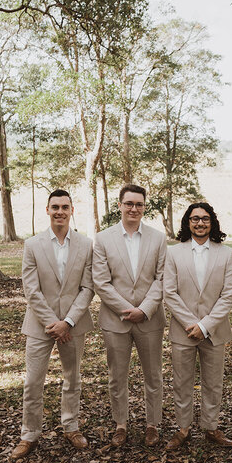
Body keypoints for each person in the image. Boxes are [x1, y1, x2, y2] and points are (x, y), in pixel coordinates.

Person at [11, 189, 94, 459]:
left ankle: (71, 426)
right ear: (47, 210)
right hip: (39, 325)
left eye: (65, 207)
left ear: (72, 211)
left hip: (74, 324)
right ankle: (29, 434)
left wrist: (68, 322)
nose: (60, 211)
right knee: (33, 381)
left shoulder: (85, 244)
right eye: (55, 207)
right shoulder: (32, 245)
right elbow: (31, 290)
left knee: (72, 378)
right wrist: (53, 323)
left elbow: (88, 287)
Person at [92, 184, 167, 447]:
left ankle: (152, 424)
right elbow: (101, 282)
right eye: (129, 203)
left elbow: (161, 279)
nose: (134, 208)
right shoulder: (103, 239)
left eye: (139, 204)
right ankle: (120, 424)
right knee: (117, 376)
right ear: (120, 205)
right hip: (116, 320)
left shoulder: (158, 239)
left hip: (150, 319)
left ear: (144, 207)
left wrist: (144, 309)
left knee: (153, 375)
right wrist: (127, 310)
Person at [163, 202, 232, 450]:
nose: (200, 223)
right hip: (183, 330)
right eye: (195, 218)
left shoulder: (225, 254)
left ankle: (211, 427)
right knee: (182, 381)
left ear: (212, 222)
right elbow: (169, 293)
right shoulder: (173, 253)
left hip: (214, 331)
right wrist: (190, 323)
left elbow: (228, 295)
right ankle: (183, 429)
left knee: (213, 382)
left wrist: (205, 325)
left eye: (205, 218)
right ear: (188, 222)